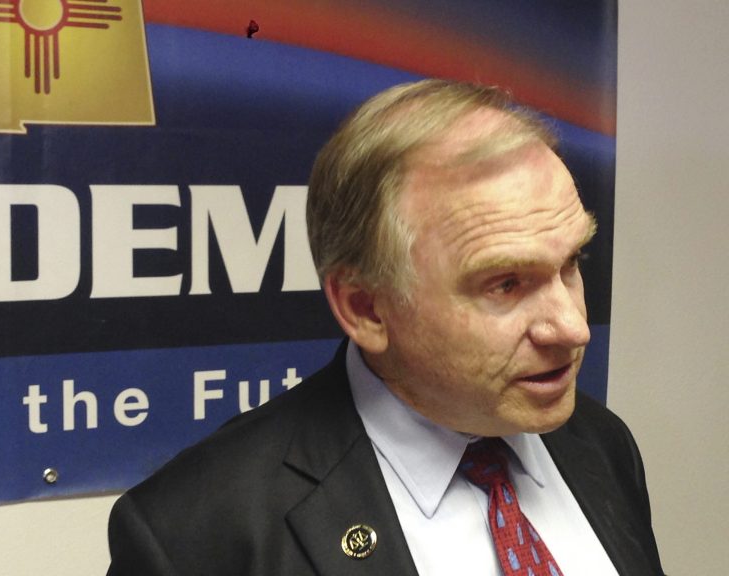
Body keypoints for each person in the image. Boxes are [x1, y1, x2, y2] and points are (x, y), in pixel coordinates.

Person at [106, 80, 664, 575]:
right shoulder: (198, 535)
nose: (572, 327)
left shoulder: (599, 444)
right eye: (505, 285)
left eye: (571, 265)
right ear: (366, 308)